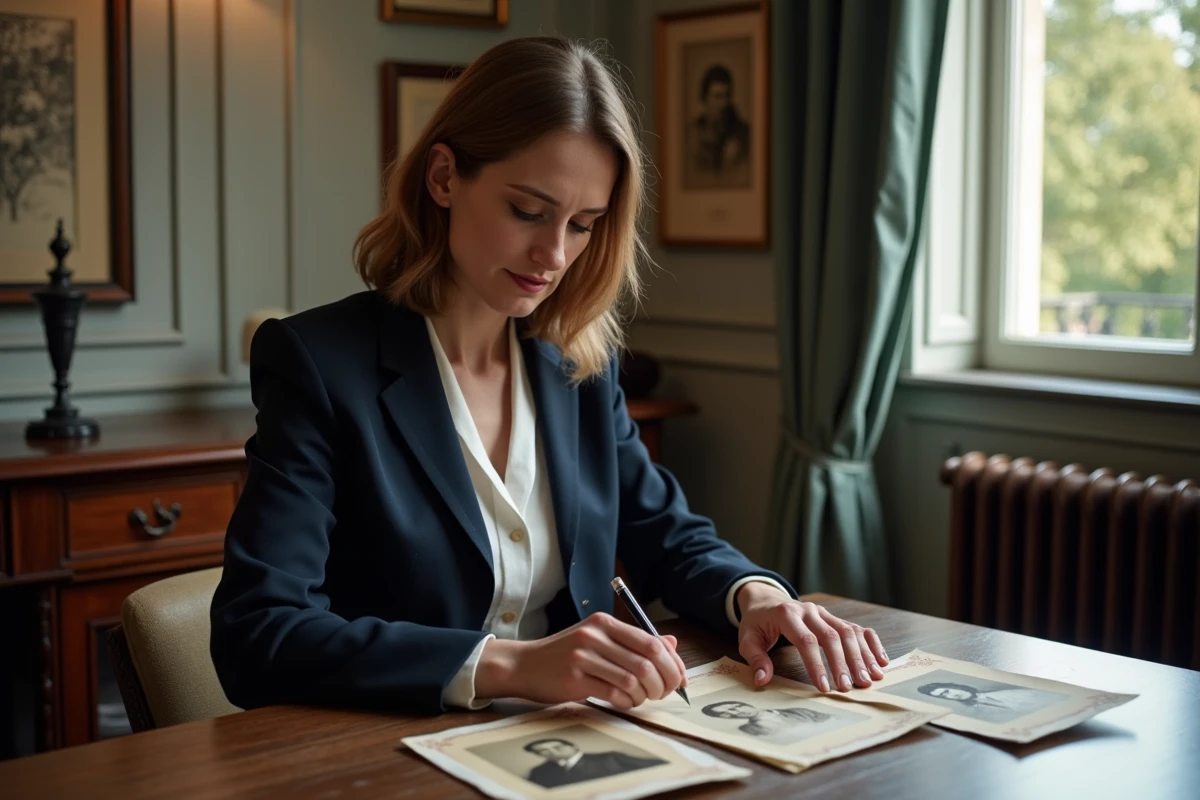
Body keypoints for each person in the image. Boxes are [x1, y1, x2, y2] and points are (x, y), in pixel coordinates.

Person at [209, 35, 888, 717]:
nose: (553, 254)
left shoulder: (579, 366)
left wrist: (757, 595)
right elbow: (257, 632)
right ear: (443, 177)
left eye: (584, 224)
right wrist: (510, 665)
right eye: (528, 211)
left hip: (582, 745)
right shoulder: (320, 364)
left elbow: (668, 534)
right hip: (391, 753)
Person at [687, 64, 750, 178]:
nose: (723, 103)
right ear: (705, 98)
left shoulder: (741, 132)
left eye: (726, 96)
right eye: (717, 96)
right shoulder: (693, 131)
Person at [523, 737, 665, 788]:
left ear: (573, 746)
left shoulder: (610, 758)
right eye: (543, 751)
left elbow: (657, 765)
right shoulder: (538, 772)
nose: (553, 753)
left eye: (558, 747)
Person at [916, 682, 1059, 721]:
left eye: (947, 691)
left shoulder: (1011, 694)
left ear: (955, 686)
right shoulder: (975, 713)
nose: (950, 696)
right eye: (943, 697)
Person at [701, 700, 831, 738]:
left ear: (748, 703)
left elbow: (832, 721)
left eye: (736, 706)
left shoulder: (798, 711)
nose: (738, 711)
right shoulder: (748, 729)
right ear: (726, 717)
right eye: (729, 712)